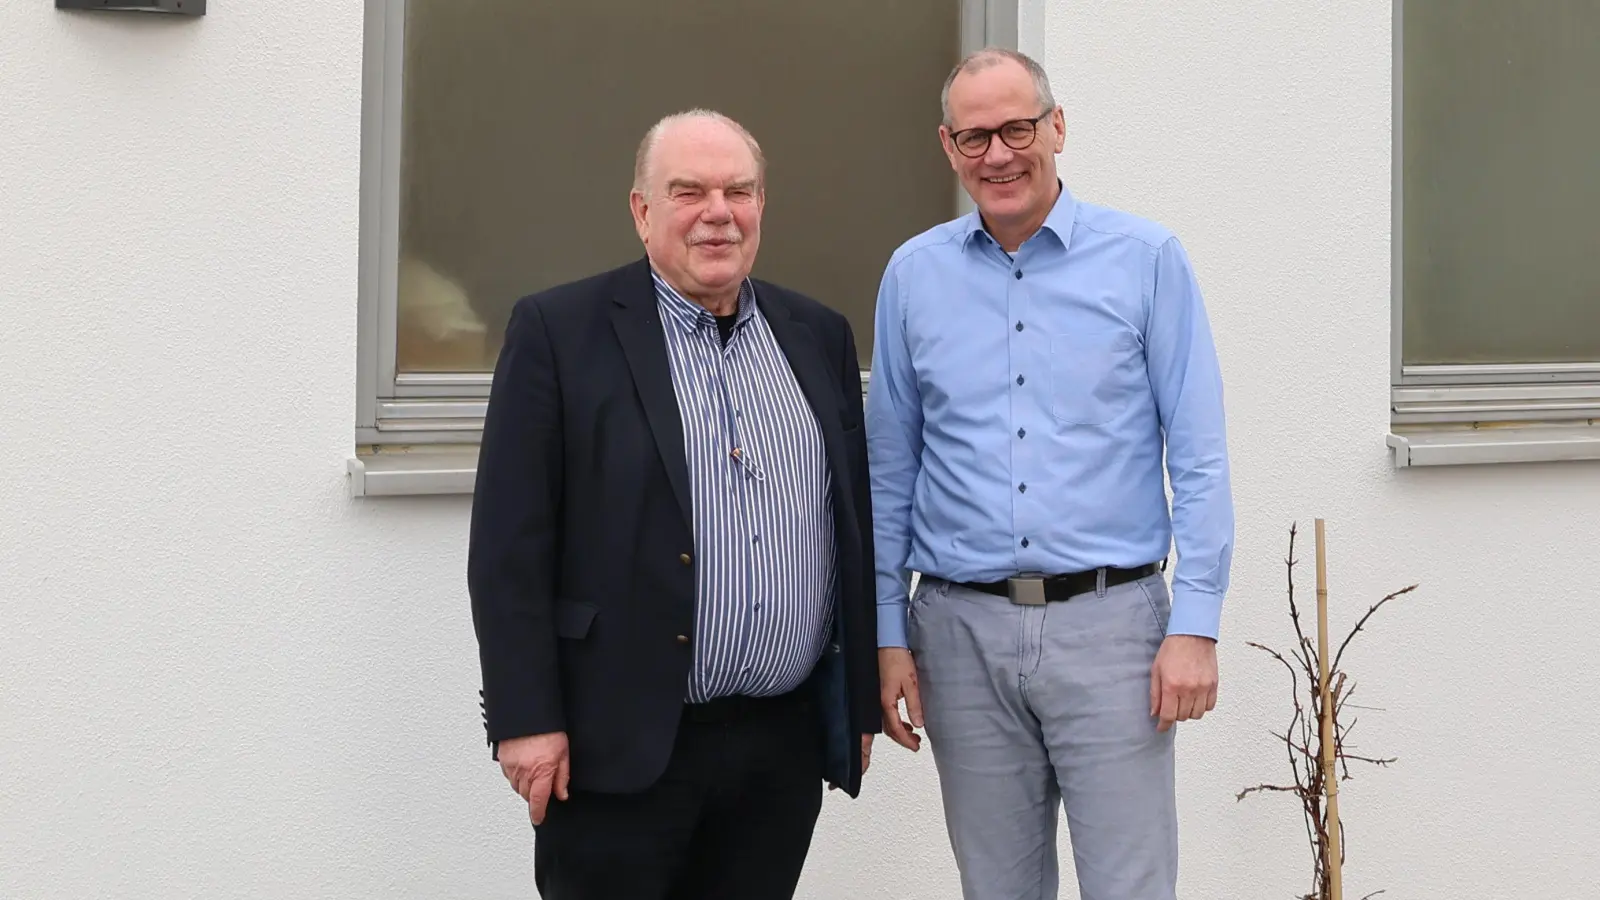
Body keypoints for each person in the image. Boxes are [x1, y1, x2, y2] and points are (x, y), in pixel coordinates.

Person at [467, 108, 880, 899]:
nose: (718, 213)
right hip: (616, 749)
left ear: (762, 204)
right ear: (641, 210)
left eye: (739, 191)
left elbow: (850, 528)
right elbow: (507, 549)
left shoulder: (817, 335)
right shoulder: (560, 332)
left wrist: (855, 698)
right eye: (689, 191)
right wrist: (524, 719)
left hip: (778, 750)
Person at [867, 48, 1234, 900]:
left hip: (1113, 630)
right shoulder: (913, 276)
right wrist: (888, 632)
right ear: (948, 147)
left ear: (1057, 127)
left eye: (1017, 129)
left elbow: (1200, 455)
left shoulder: (1146, 260)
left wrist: (1197, 623)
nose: (997, 154)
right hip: (959, 633)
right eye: (974, 137)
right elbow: (889, 469)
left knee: (1130, 887)